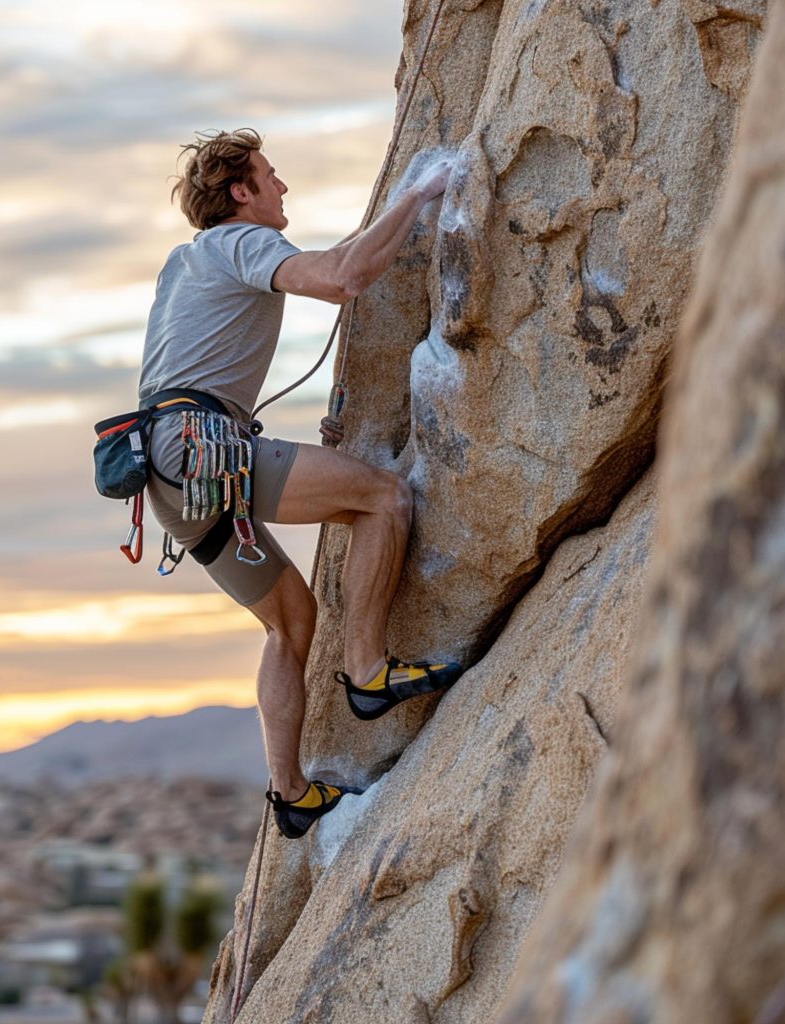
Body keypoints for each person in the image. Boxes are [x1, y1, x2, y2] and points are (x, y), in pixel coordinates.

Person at [138, 128, 462, 839]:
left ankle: (291, 794)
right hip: (205, 451)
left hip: (165, 475)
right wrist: (418, 195)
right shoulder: (241, 241)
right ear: (240, 193)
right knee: (382, 497)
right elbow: (342, 275)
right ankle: (369, 671)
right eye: (270, 176)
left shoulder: (182, 263)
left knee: (290, 624)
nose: (283, 188)